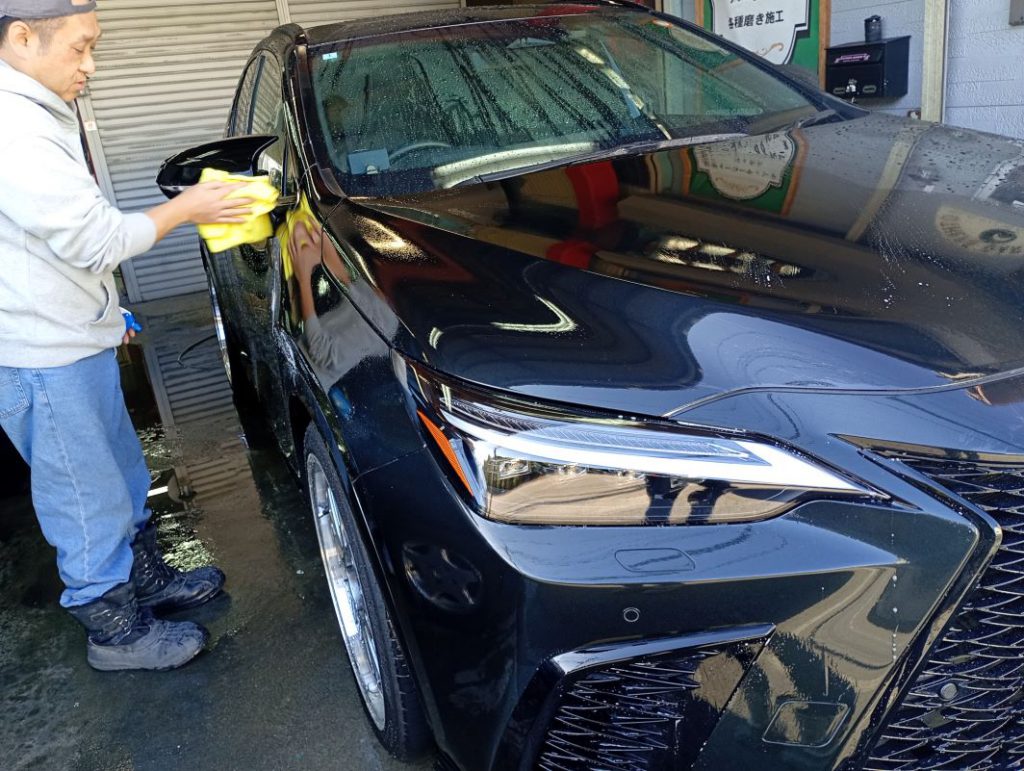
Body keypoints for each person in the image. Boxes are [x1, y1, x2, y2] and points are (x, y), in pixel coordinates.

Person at [0, 0, 253, 671]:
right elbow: (97, 240)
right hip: (43, 357)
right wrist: (189, 207)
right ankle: (113, 631)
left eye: (94, 47)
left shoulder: (38, 111)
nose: (91, 65)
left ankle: (144, 581)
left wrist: (109, 315)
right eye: (79, 47)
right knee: (84, 497)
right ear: (21, 37)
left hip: (72, 337)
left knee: (118, 472)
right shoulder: (14, 129)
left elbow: (50, 247)